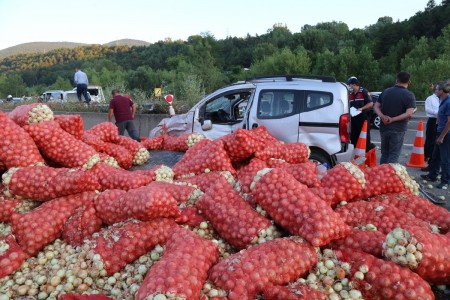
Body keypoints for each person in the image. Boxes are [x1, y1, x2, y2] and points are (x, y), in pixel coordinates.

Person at [373, 71, 416, 164]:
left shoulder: (386, 91)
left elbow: (376, 106)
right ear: (409, 82)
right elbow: (409, 113)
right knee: (394, 154)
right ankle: (389, 176)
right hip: (398, 128)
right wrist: (392, 119)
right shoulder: (409, 95)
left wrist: (382, 116)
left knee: (384, 153)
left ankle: (381, 175)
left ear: (396, 80)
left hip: (384, 127)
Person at [420, 82, 450, 191]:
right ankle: (432, 175)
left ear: (442, 91)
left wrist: (441, 136)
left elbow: (449, 122)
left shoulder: (448, 102)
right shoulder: (442, 100)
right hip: (439, 131)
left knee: (445, 158)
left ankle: (445, 181)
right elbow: (440, 115)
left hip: (445, 134)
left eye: (437, 89)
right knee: (435, 155)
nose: (435, 91)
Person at [347, 76, 374, 151]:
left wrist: (361, 108)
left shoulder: (363, 91)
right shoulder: (350, 94)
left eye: (350, 85)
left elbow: (370, 103)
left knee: (365, 136)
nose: (349, 87)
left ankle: (366, 151)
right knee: (353, 136)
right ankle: (354, 152)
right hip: (353, 117)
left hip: (363, 117)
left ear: (354, 84)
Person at [422, 83, 440, 170]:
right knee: (430, 140)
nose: (437, 91)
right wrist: (438, 113)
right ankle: (427, 156)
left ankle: (432, 161)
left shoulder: (444, 98)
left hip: (441, 121)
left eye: (438, 89)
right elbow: (428, 110)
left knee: (437, 142)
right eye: (436, 89)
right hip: (433, 120)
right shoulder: (430, 98)